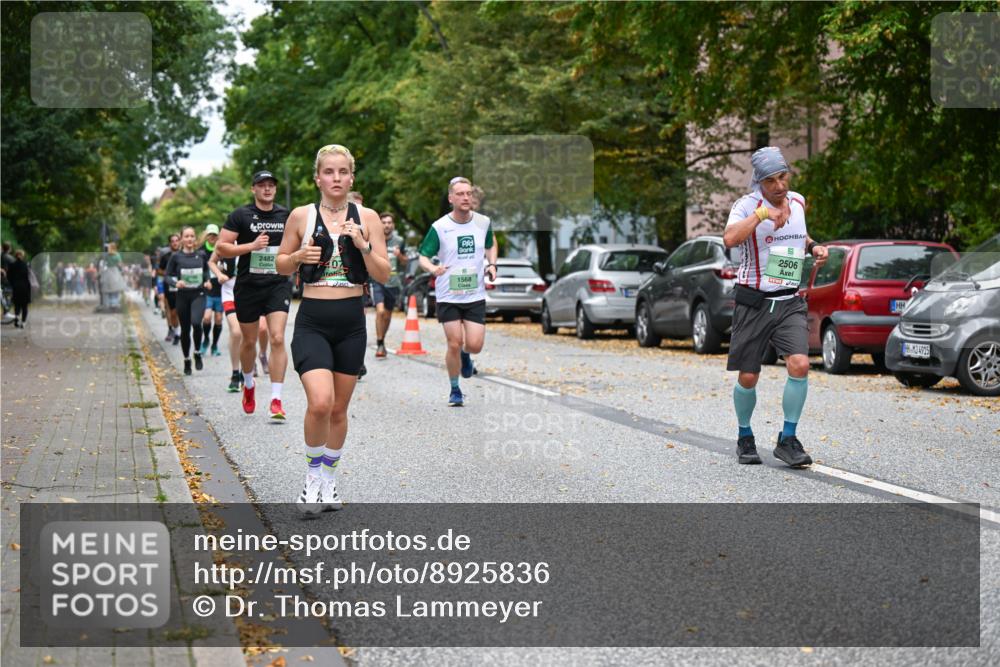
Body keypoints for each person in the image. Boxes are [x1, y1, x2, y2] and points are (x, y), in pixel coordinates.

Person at [275, 144, 390, 514]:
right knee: (320, 402)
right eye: (329, 172)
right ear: (318, 178)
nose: (336, 178)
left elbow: (384, 272)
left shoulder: (367, 216)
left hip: (352, 323)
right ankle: (311, 477)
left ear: (351, 177)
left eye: (343, 172)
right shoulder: (301, 216)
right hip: (312, 320)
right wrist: (296, 258)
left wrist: (363, 244)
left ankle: (329, 477)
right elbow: (279, 264)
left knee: (339, 410)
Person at [722, 146, 829, 468]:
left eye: (783, 177)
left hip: (789, 300)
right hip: (754, 301)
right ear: (759, 182)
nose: (779, 185)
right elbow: (729, 239)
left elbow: (799, 233)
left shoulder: (797, 201)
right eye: (770, 180)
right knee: (749, 376)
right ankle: (745, 436)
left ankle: (788, 439)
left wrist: (813, 246)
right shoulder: (747, 206)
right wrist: (760, 216)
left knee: (799, 364)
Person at [216, 170, 292, 419]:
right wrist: (251, 246)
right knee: (248, 342)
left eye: (271, 185)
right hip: (248, 285)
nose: (267, 189)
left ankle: (276, 399)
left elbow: (299, 242)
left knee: (278, 337)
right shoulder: (241, 215)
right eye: (262, 185)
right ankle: (248, 384)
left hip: (277, 283)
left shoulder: (286, 215)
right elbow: (222, 247)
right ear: (253, 189)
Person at [418, 177, 498, 406]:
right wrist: (433, 268)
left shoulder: (483, 223)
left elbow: (491, 244)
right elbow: (423, 256)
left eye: (469, 193)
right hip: (448, 295)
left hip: (474, 295)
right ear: (451, 198)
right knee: (453, 342)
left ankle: (466, 355)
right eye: (460, 194)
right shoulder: (440, 227)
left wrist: (491, 264)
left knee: (474, 345)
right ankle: (455, 389)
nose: (465, 197)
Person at [165, 226, 211, 375]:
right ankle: (186, 359)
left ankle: (197, 352)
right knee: (185, 330)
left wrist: (207, 281)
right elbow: (167, 276)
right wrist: (175, 283)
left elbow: (205, 271)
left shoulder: (202, 255)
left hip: (198, 294)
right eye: (186, 236)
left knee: (197, 323)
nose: (190, 239)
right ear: (182, 239)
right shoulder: (176, 257)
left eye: (192, 236)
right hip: (182, 296)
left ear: (195, 239)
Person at [208, 244, 244, 392]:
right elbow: (211, 261)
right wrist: (219, 274)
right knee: (236, 332)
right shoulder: (226, 241)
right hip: (229, 292)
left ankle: (246, 371)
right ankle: (235, 373)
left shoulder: (253, 237)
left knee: (248, 335)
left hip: (248, 293)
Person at [371, 212, 406, 358]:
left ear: (393, 225)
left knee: (387, 315)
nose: (386, 225)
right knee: (380, 312)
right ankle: (379, 343)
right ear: (380, 224)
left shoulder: (399, 240)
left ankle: (382, 340)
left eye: (389, 222)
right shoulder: (373, 239)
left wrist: (400, 256)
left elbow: (405, 262)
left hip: (392, 282)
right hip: (377, 280)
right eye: (384, 222)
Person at [199, 225, 225, 357]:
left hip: (220, 289)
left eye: (215, 235)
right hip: (207, 289)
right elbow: (200, 268)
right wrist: (205, 280)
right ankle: (205, 340)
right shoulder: (201, 251)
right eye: (210, 235)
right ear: (206, 235)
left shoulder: (222, 249)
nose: (212, 237)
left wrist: (224, 270)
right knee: (207, 317)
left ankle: (214, 345)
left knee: (219, 319)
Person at [158, 234, 182, 343]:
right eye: (173, 241)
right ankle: (171, 329)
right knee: (171, 310)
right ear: (170, 243)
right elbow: (159, 270)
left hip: (182, 286)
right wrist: (168, 274)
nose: (175, 243)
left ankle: (178, 332)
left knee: (181, 310)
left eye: (177, 240)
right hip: (169, 286)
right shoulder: (165, 256)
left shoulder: (184, 255)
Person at [7, 249, 32, 328]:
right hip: (25, 287)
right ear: (22, 255)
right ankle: (23, 322)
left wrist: (13, 284)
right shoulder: (26, 265)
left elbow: (9, 276)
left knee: (17, 304)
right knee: (24, 306)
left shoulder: (12, 265)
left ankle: (17, 317)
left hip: (16, 287)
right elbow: (29, 276)